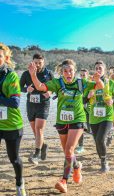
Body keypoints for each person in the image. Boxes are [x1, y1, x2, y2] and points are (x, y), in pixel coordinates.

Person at [28, 59, 103, 193]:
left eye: (71, 71)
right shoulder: (57, 82)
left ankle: (64, 181)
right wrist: (33, 75)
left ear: (75, 71)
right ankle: (77, 167)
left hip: (78, 119)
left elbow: (100, 87)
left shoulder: (82, 82)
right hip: (62, 121)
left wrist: (98, 80)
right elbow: (40, 87)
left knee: (69, 150)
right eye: (65, 71)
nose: (68, 73)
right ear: (62, 72)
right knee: (68, 153)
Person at [0, 43, 26, 196]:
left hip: (12, 125)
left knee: (14, 159)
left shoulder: (12, 76)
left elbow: (15, 103)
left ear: (6, 58)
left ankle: (19, 184)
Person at [20, 53, 53, 165]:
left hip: (43, 104)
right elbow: (19, 87)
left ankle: (36, 155)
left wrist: (50, 92)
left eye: (40, 63)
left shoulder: (48, 73)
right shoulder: (26, 73)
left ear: (43, 62)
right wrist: (26, 89)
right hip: (31, 105)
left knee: (39, 130)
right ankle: (43, 146)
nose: (38, 65)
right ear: (32, 62)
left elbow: (54, 87)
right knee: (36, 132)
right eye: (36, 63)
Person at [87, 61, 114, 172]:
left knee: (100, 139)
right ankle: (102, 160)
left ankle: (104, 162)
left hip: (107, 115)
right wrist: (88, 96)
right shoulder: (90, 83)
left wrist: (113, 100)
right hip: (94, 116)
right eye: (96, 68)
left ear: (104, 70)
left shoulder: (110, 83)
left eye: (100, 68)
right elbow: (83, 100)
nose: (98, 70)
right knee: (97, 141)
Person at [75, 69, 91, 153]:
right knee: (80, 128)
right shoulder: (78, 83)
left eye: (84, 75)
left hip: (89, 110)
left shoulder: (90, 84)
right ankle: (81, 146)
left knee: (89, 129)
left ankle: (105, 137)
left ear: (87, 75)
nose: (82, 77)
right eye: (80, 75)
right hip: (80, 110)